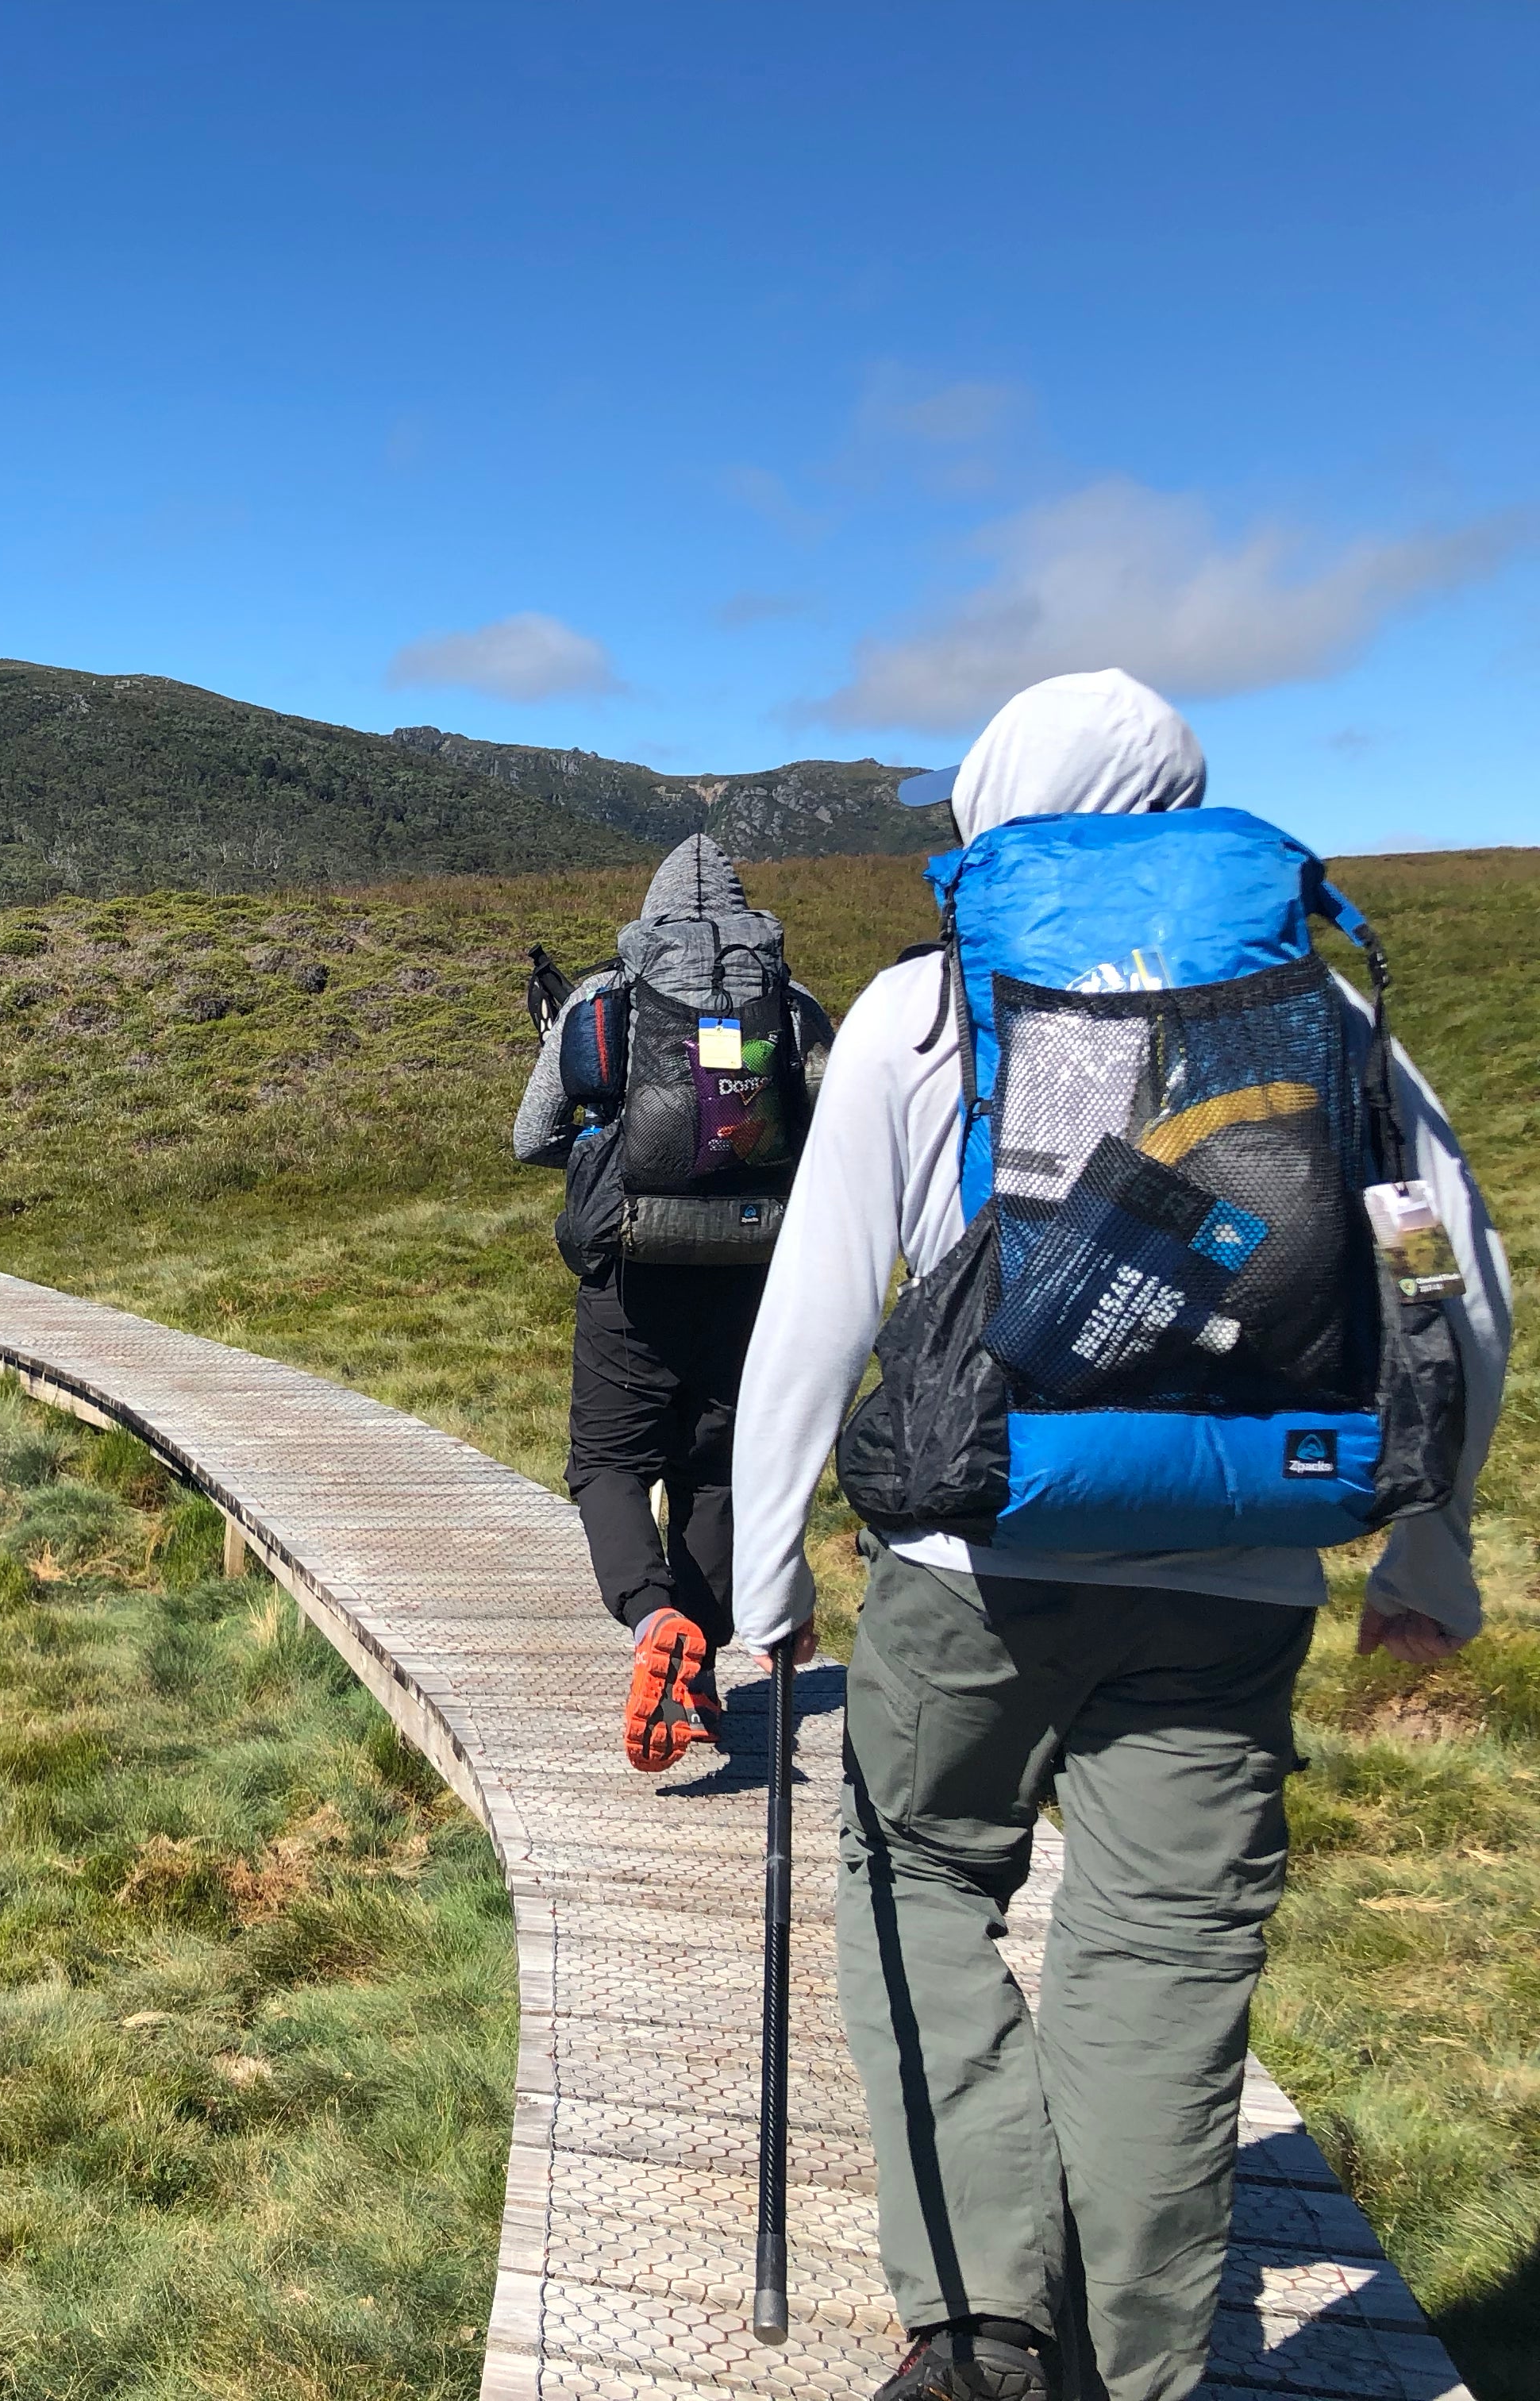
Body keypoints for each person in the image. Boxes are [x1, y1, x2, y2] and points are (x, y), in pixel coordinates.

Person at [728, 670, 1513, 2401]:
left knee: (918, 1879)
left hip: (974, 1567)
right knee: (1161, 1958)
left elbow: (815, 1301)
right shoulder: (1318, 1015)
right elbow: (1453, 1281)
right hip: (1240, 1570)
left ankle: (983, 2319)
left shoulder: (929, 1007)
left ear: (999, 806)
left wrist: (759, 1578)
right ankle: (1123, 2374)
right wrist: (1432, 1543)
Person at [516, 833, 834, 1771]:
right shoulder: (793, 1005)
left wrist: (601, 1138)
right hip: (749, 1273)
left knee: (608, 1461)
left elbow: (533, 1136)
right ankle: (700, 1651)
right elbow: (832, 1135)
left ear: (651, 912)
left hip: (629, 1270)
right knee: (718, 1470)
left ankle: (652, 1622)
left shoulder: (604, 998)